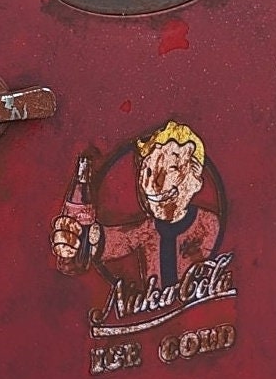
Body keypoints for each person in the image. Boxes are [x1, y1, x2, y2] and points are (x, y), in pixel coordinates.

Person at [52, 121, 222, 300]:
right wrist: (75, 239)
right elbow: (115, 240)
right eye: (148, 171)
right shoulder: (148, 230)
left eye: (172, 169)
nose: (154, 184)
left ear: (195, 181)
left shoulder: (208, 223)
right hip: (155, 317)